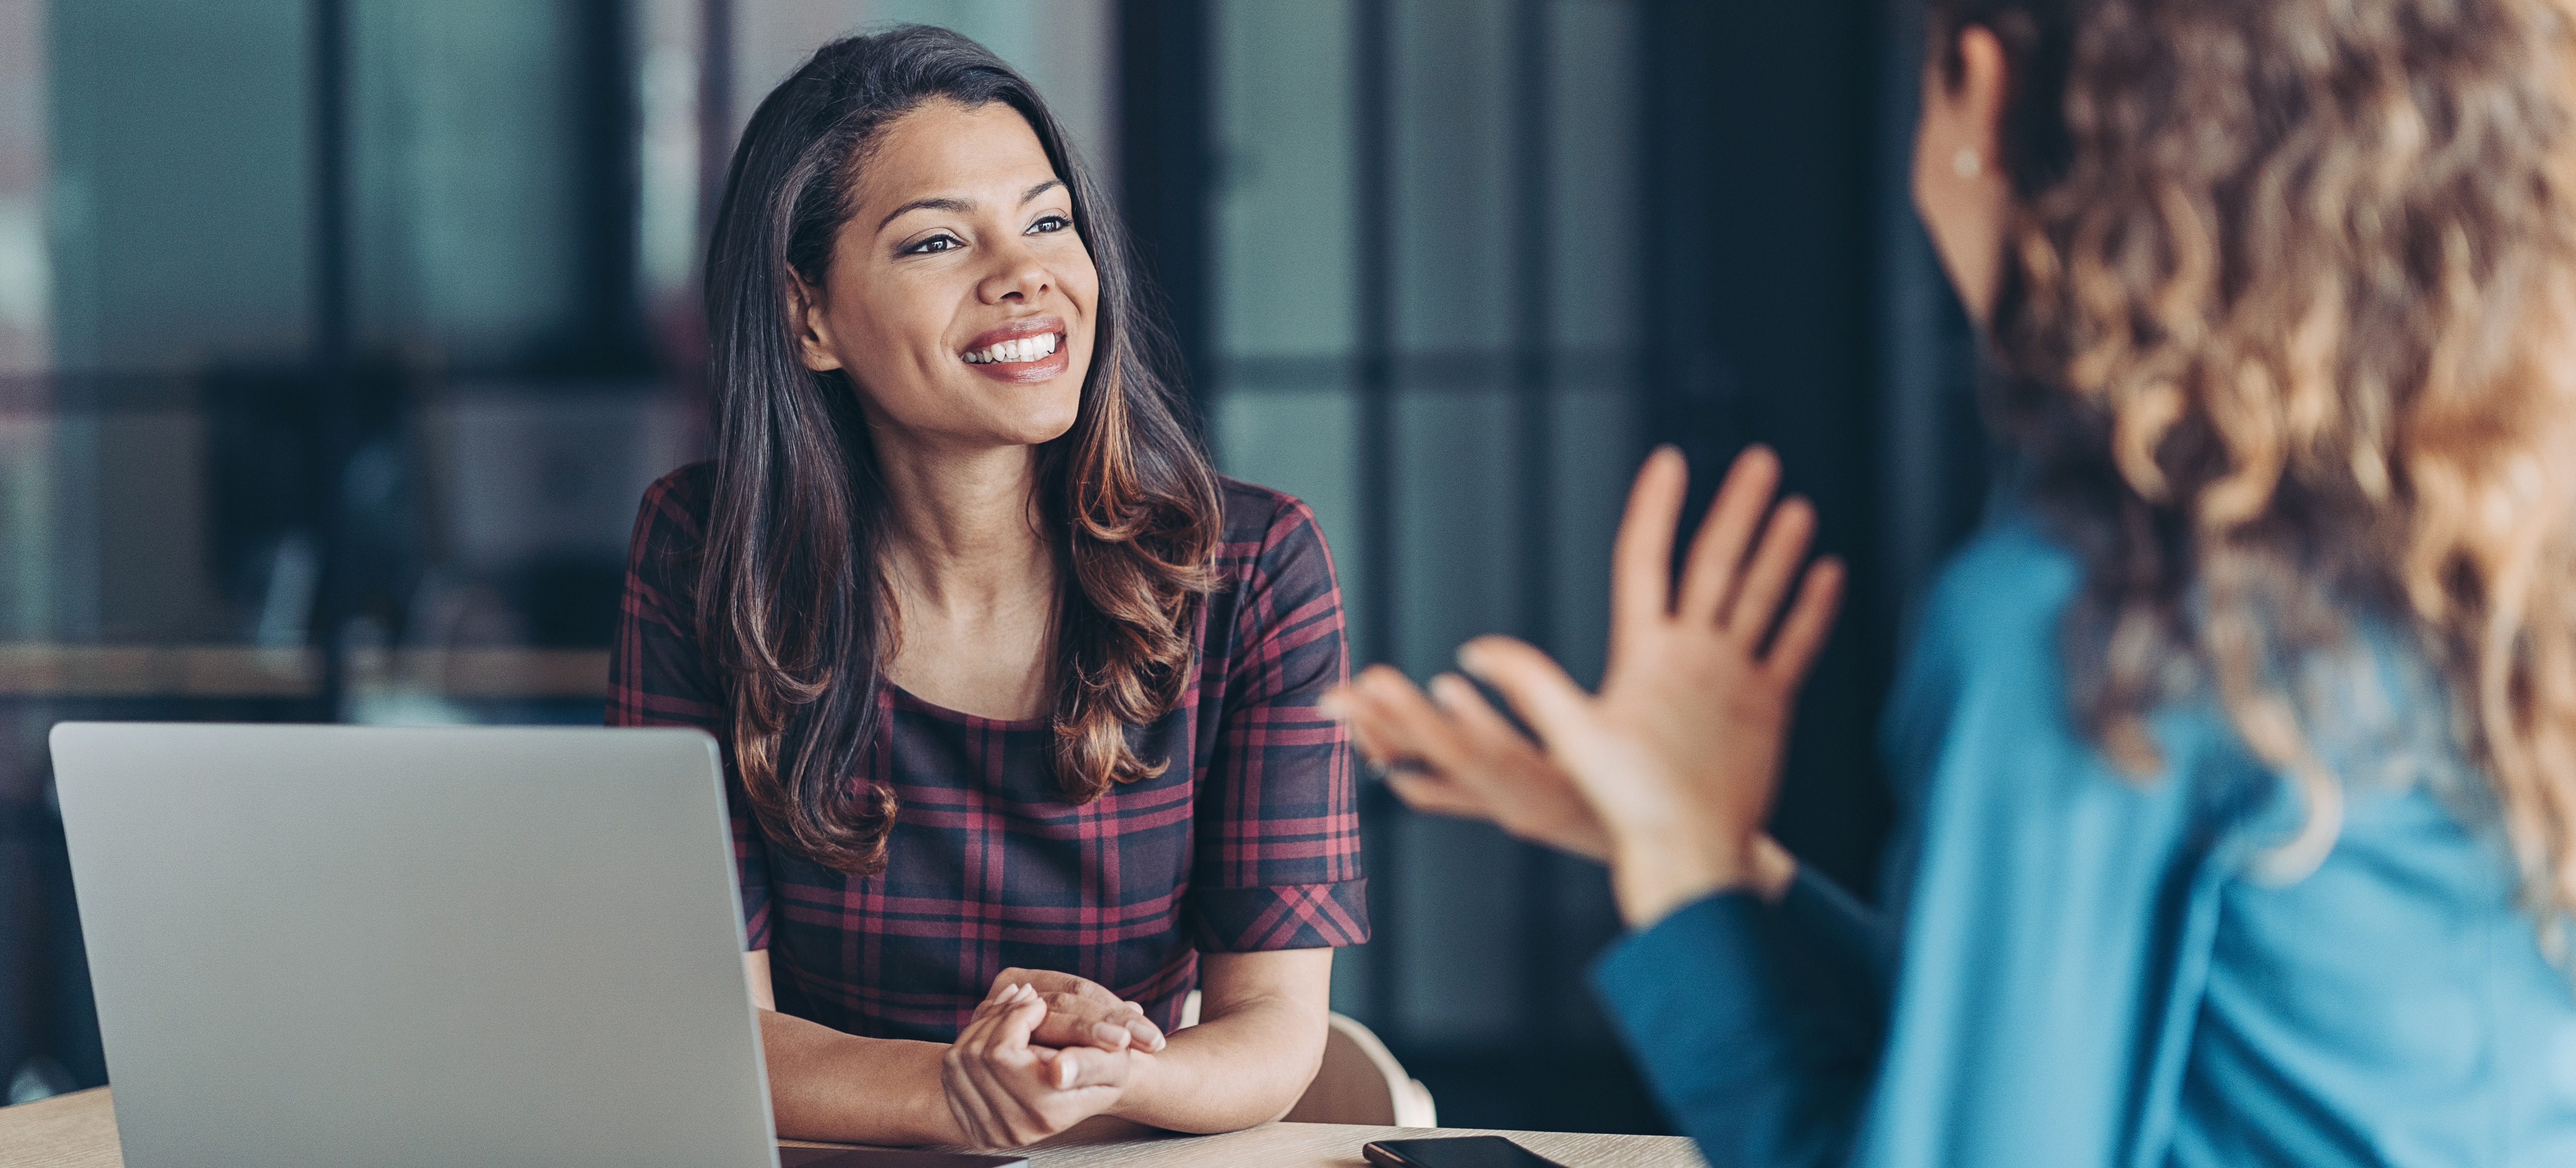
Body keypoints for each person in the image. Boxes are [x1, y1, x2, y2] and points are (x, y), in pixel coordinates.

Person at [1328, 0, 2576, 1164]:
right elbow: (2115, 1044)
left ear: (1980, 87)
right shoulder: (2485, 555)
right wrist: (1713, 861)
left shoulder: (2100, 618)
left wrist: (1688, 881)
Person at [608, 26, 1366, 1149]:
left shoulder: (1250, 567)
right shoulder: (701, 556)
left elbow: (1272, 1028)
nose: (1026, 275)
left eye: (1049, 221)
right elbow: (709, 1026)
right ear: (808, 314)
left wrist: (1102, 1073)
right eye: (936, 244)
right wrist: (958, 1094)